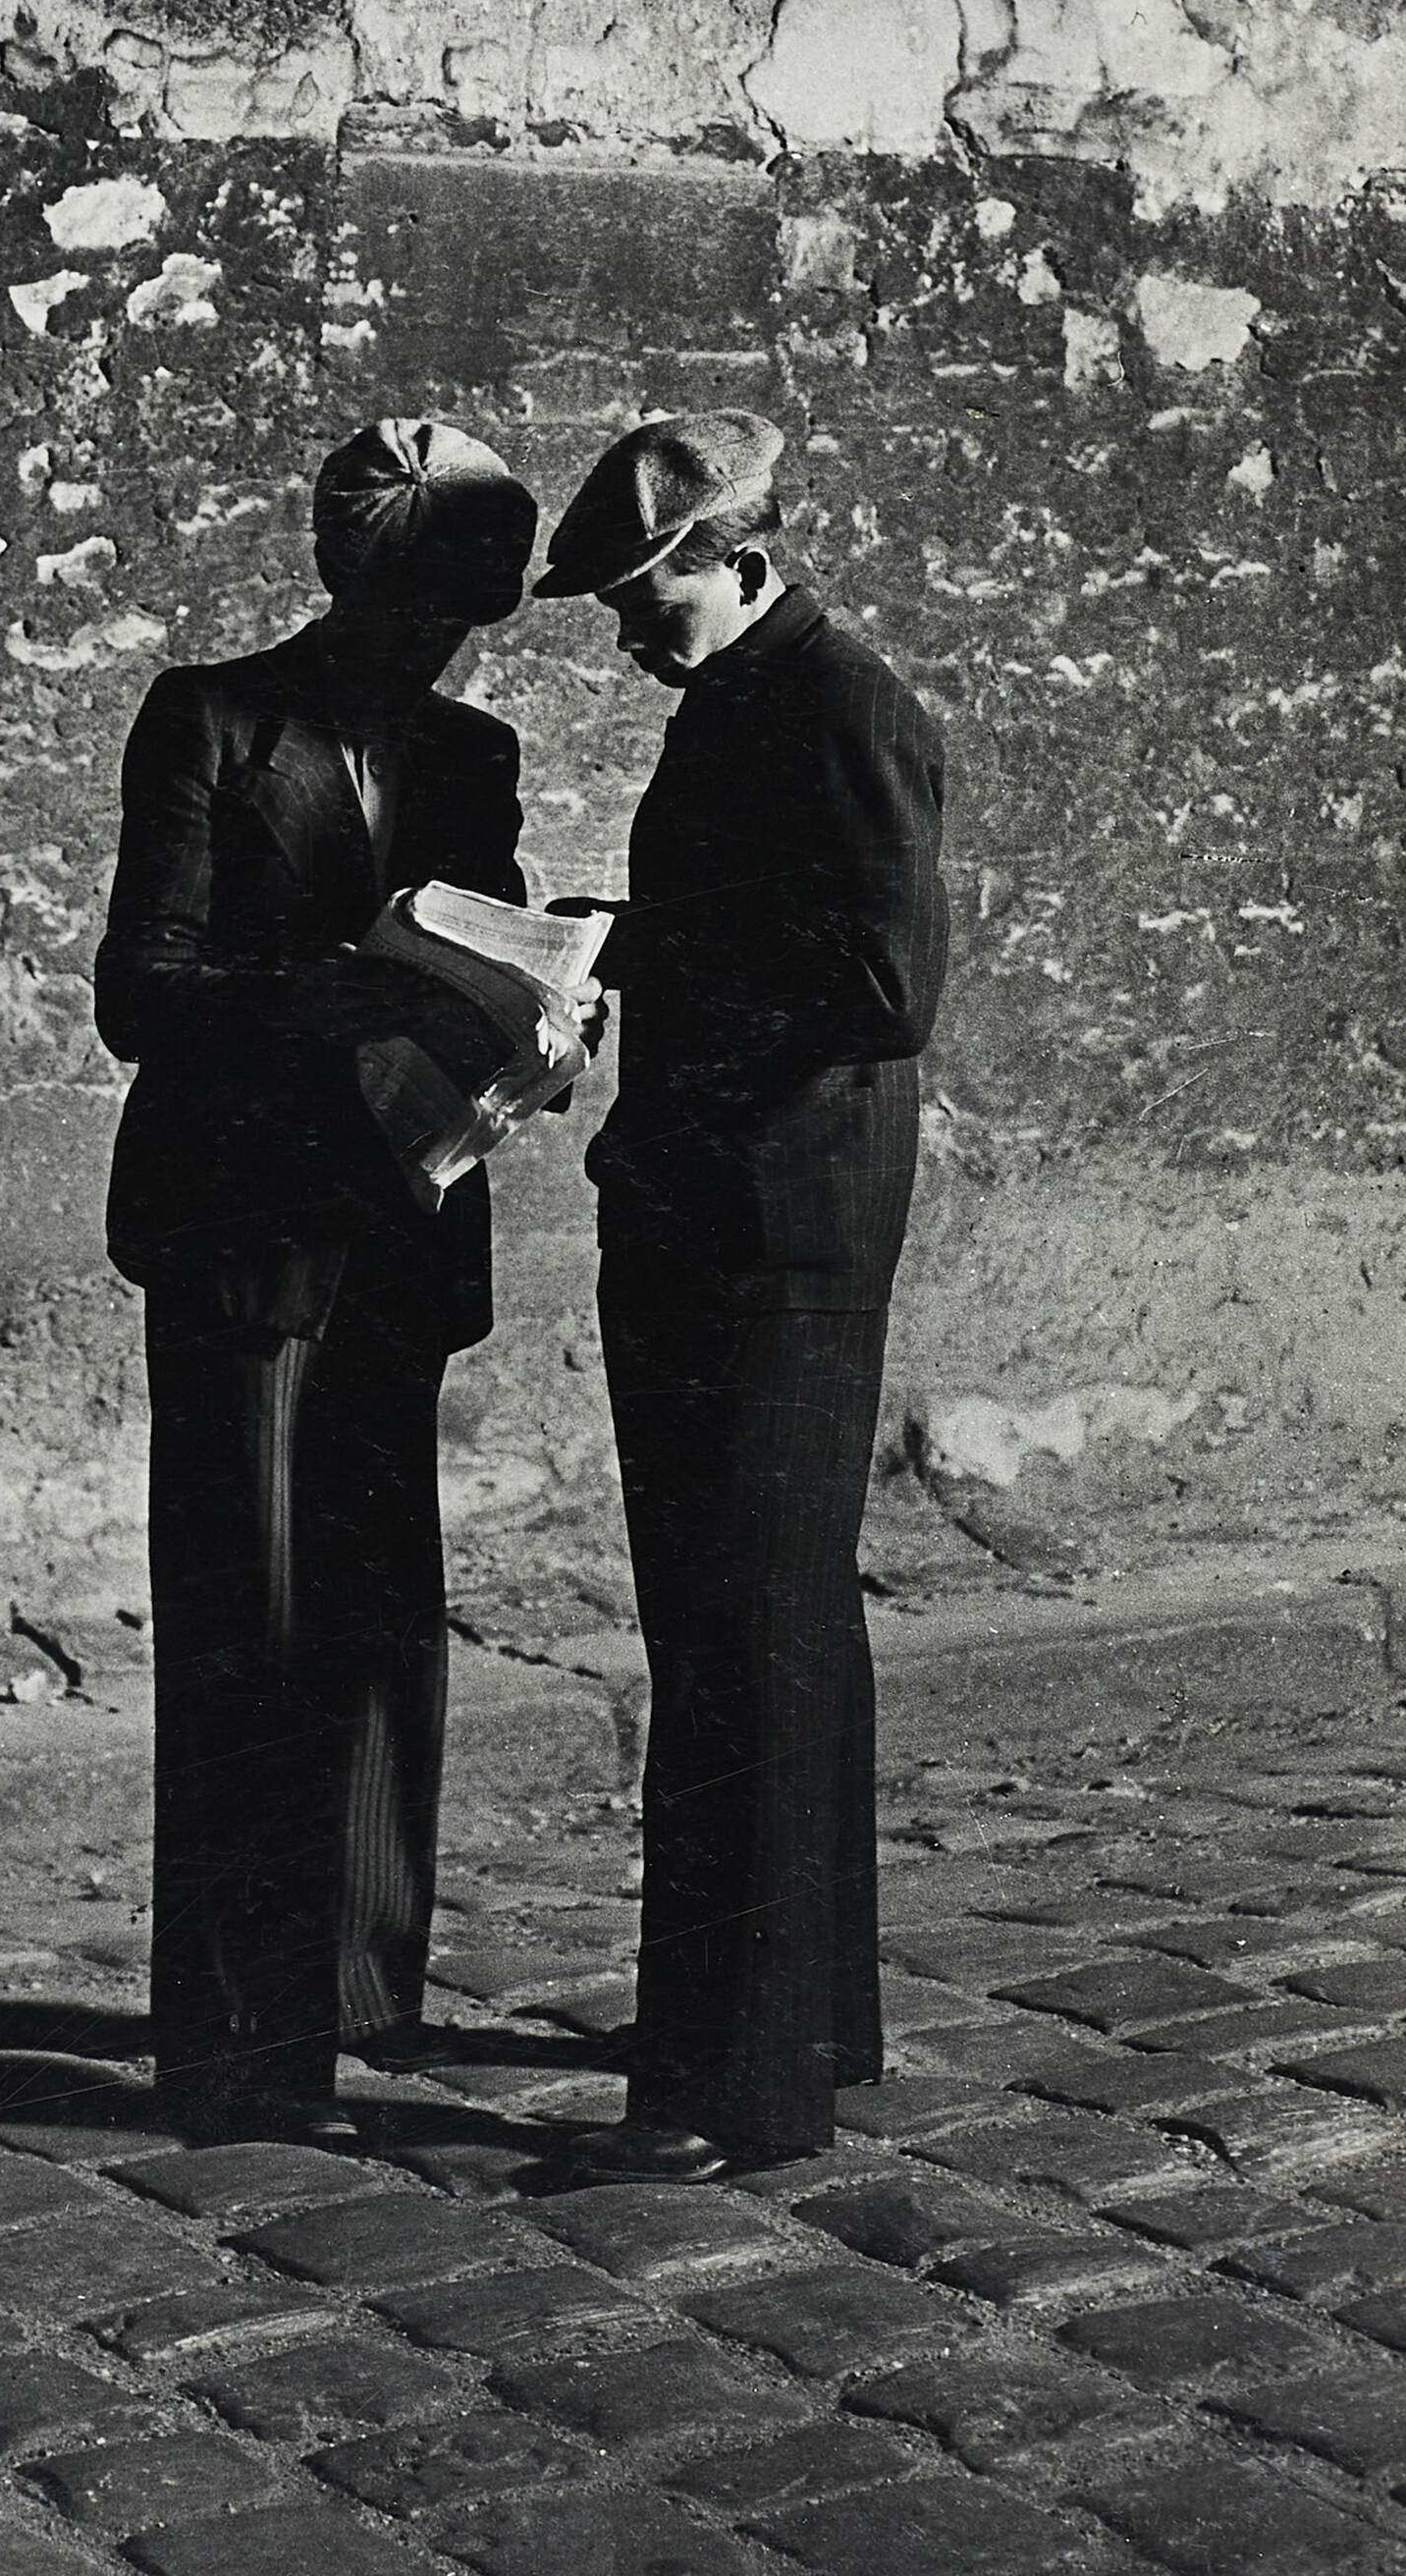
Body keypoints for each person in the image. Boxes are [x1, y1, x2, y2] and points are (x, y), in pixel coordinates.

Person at [94, 417, 542, 2145]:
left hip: (403, 1216)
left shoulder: (473, 753)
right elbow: (145, 987)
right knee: (244, 1615)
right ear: (351, 580)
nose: (440, 643)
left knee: (377, 1614)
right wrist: (329, 995)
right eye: (422, 604)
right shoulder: (211, 718)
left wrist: (532, 1006)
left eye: (461, 618)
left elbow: (483, 956)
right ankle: (232, 2029)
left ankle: (363, 1987)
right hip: (242, 1228)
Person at [534, 411, 948, 2178]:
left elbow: (881, 975)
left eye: (651, 598)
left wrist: (641, 947)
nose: (632, 636)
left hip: (772, 1222)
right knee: (778, 1617)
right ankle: (816, 2018)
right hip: (746, 1205)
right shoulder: (751, 699)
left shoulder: (840, 702)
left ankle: (740, 2085)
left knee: (740, 1631)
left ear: (744, 556)